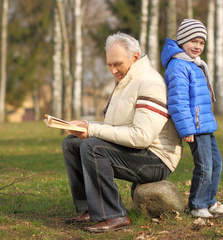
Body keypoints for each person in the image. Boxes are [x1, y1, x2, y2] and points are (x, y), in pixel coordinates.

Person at [62, 32, 182, 232]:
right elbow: (117, 127)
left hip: (157, 159)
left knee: (92, 147)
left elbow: (141, 137)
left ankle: (114, 215)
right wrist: (84, 125)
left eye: (117, 63)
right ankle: (90, 209)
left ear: (135, 57)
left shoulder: (149, 82)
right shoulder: (127, 80)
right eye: (109, 65)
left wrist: (92, 130)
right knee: (72, 143)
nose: (113, 70)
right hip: (139, 151)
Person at [161, 19, 223, 218]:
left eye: (201, 43)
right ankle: (197, 204)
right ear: (182, 40)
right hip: (194, 126)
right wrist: (186, 128)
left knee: (216, 163)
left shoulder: (194, 64)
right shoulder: (178, 66)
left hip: (205, 124)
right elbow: (178, 100)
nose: (198, 46)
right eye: (193, 41)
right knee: (205, 166)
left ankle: (209, 200)